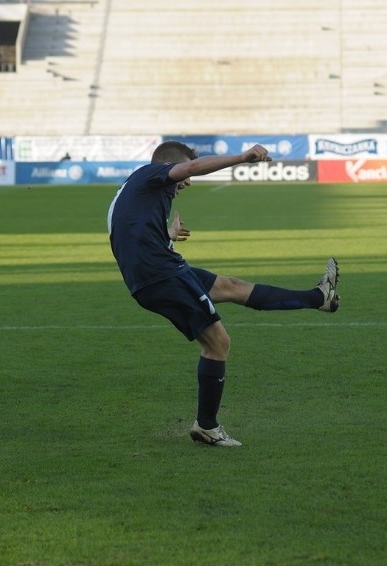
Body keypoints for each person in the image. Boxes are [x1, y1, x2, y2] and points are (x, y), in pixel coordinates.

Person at [107, 141, 340, 447]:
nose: (187, 182)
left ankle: (319, 298)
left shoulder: (135, 190)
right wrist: (241, 158)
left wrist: (167, 236)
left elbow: (127, 236)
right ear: (168, 166)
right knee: (218, 343)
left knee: (232, 286)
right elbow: (188, 169)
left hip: (159, 271)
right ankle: (207, 426)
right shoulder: (154, 175)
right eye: (182, 176)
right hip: (160, 276)